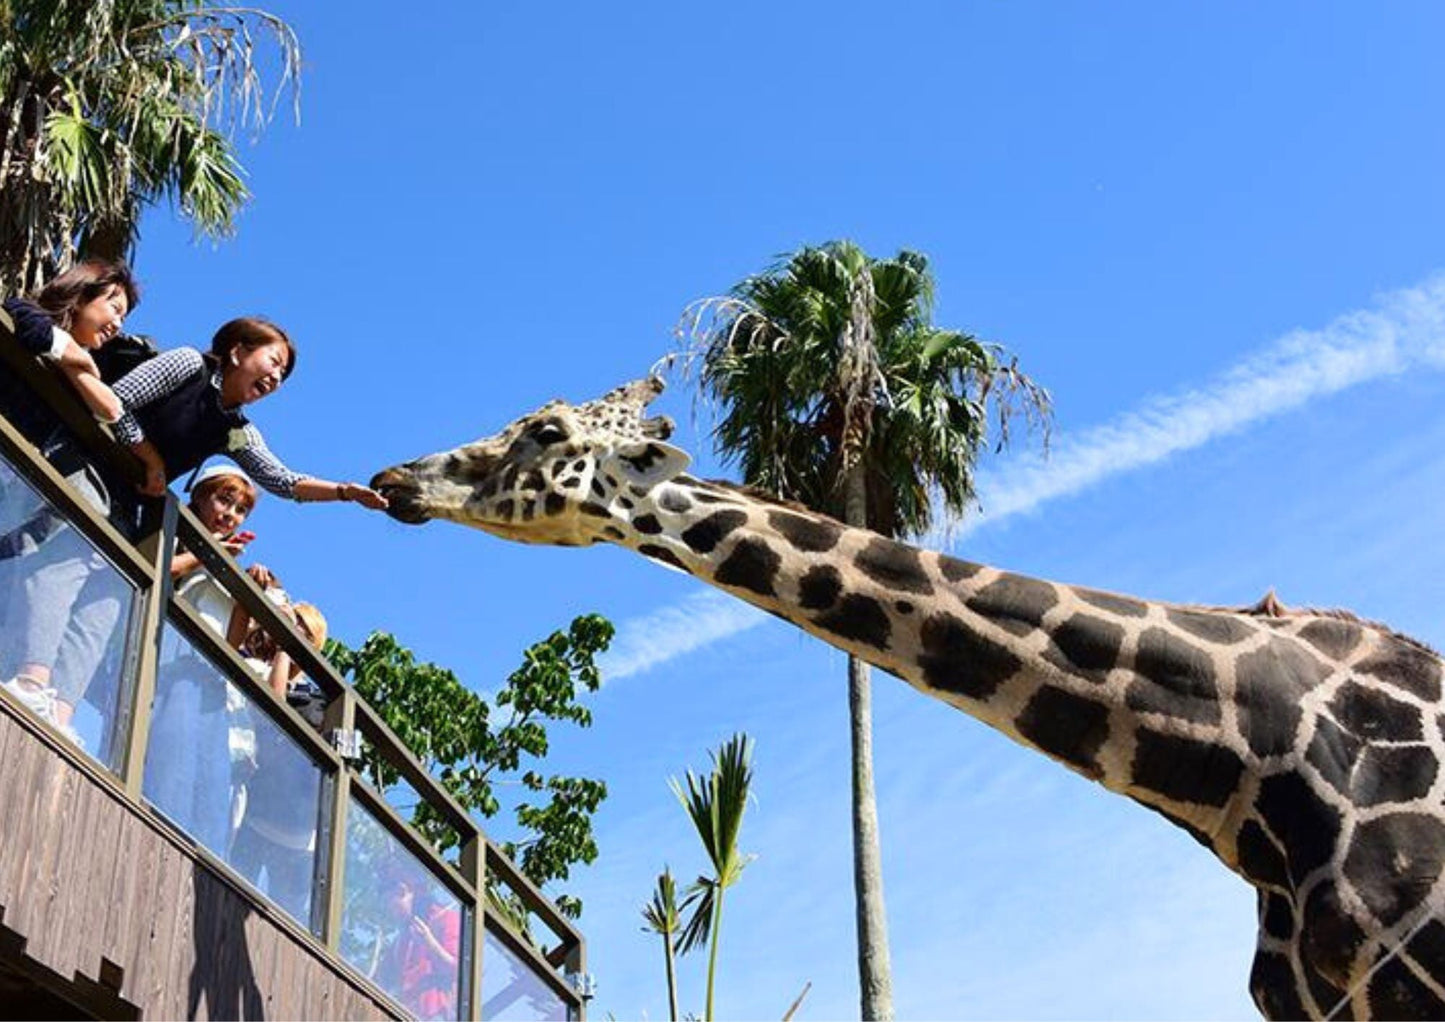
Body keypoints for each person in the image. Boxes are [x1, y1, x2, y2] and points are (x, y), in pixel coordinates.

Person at [0, 261, 140, 745]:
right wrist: (81, 363)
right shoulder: (26, 312)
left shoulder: (78, 364)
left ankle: (55, 706)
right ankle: (31, 679)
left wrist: (81, 369)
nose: (118, 323)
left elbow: (112, 407)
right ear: (79, 296)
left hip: (20, 511)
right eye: (113, 307)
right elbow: (33, 326)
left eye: (124, 315)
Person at [110, 316, 388, 509]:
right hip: (85, 456)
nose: (277, 378)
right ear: (238, 352)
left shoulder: (236, 431)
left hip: (127, 500)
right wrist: (151, 460)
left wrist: (345, 492)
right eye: (275, 362)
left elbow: (282, 481)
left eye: (283, 375)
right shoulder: (190, 363)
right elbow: (115, 403)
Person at [143, 464, 270, 852]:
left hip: (211, 677)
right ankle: (157, 845)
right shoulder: (175, 532)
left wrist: (249, 594)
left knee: (211, 785)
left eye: (240, 509)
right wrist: (207, 557)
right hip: (173, 664)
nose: (230, 514)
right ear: (199, 496)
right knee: (171, 768)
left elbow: (230, 647)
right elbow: (153, 566)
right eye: (223, 500)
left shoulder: (227, 561)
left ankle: (199, 860)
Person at [228, 596, 330, 923]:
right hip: (254, 816)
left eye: (303, 631)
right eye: (291, 623)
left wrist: (285, 648)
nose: (294, 631)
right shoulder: (256, 667)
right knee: (227, 897)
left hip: (294, 836)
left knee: (285, 925)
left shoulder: (319, 701)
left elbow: (277, 711)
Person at [375, 872, 462, 1021]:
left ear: (402, 891)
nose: (392, 912)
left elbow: (457, 970)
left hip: (435, 1011)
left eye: (391, 904)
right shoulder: (404, 937)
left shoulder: (446, 918)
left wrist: (429, 942)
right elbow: (382, 979)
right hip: (408, 1012)